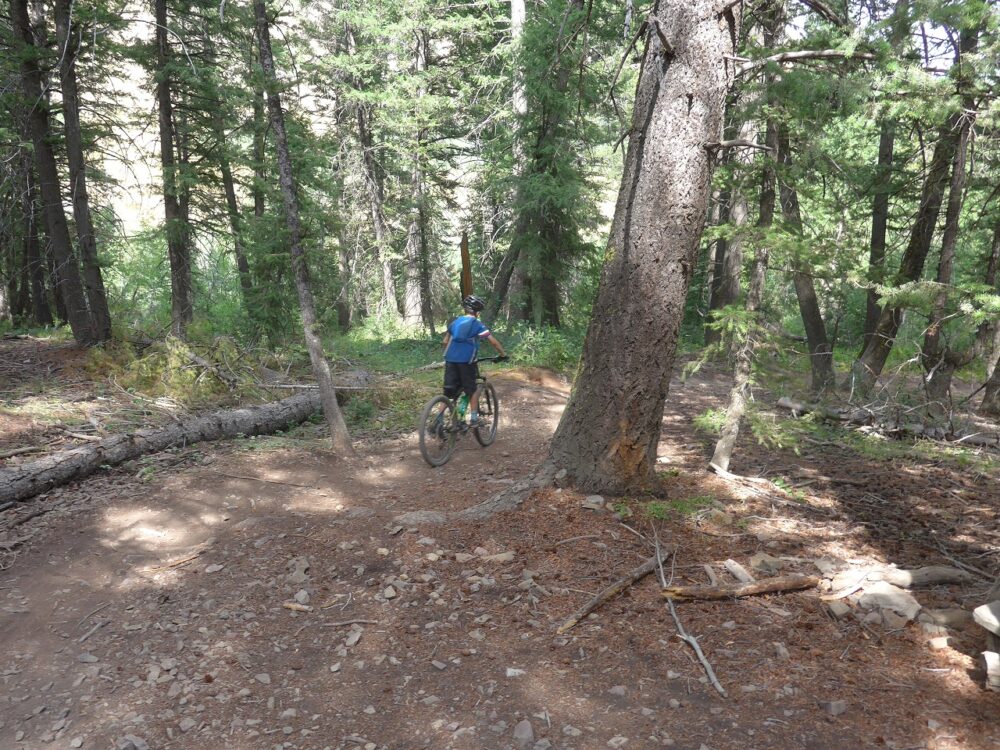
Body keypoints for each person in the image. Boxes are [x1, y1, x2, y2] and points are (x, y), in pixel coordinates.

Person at [441, 295, 507, 425]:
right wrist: (503, 354)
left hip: (450, 360)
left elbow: (445, 341)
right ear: (477, 312)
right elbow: (493, 342)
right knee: (472, 390)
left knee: (449, 393)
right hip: (467, 361)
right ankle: (474, 419)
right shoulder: (477, 324)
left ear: (465, 309)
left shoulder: (454, 322)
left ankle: (438, 421)